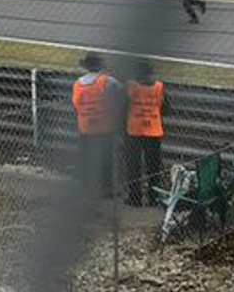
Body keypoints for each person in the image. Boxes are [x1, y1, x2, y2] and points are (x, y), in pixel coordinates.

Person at [123, 60, 168, 206]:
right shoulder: (159, 86)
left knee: (133, 165)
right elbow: (165, 108)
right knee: (153, 165)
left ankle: (135, 197)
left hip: (134, 130)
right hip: (154, 130)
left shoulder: (130, 86)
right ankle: (153, 197)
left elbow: (122, 107)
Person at [72, 52, 116, 197]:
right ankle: (106, 189)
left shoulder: (78, 83)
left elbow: (75, 104)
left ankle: (85, 188)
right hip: (103, 127)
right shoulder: (107, 81)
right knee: (106, 159)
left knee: (85, 158)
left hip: (84, 126)